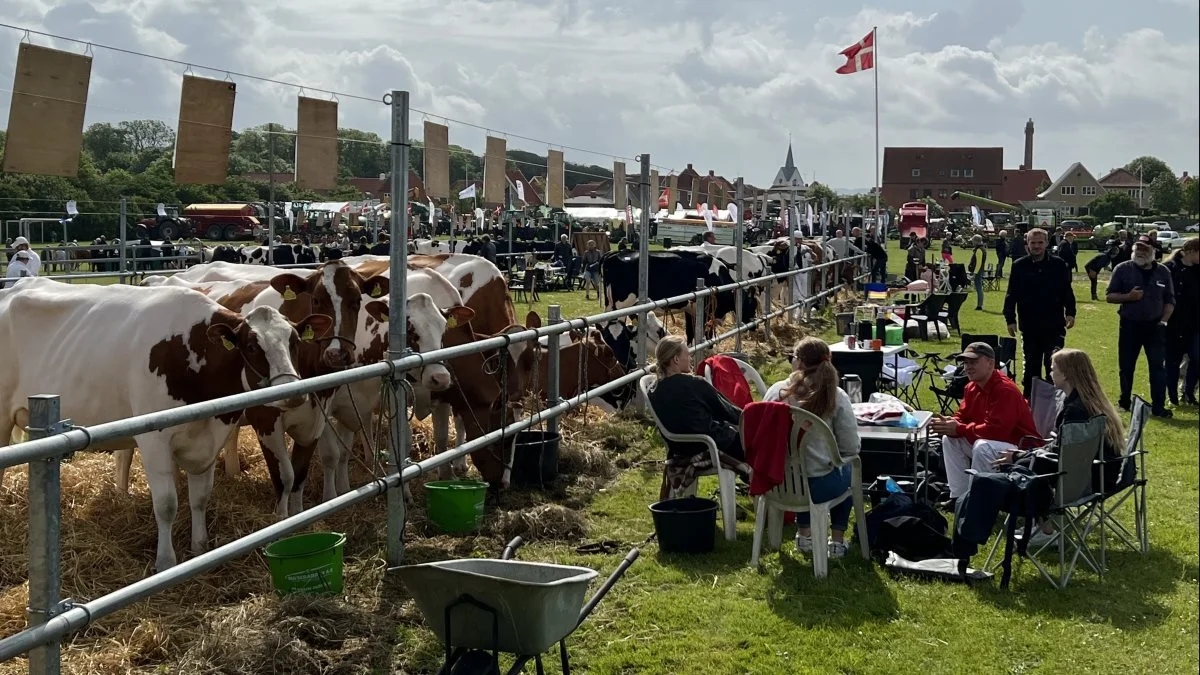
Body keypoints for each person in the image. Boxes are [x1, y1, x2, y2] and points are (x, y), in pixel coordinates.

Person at [777, 338, 861, 559]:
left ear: (799, 363)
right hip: (819, 485)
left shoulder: (777, 392)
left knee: (805, 467)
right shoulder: (837, 396)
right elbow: (851, 446)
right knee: (847, 469)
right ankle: (837, 540)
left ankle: (804, 535)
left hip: (780, 482)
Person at [930, 342, 1038, 507]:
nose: (967, 367)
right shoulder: (972, 387)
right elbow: (963, 416)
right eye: (965, 362)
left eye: (973, 362)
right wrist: (950, 424)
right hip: (994, 442)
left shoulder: (1004, 390)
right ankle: (959, 498)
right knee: (949, 439)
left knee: (982, 447)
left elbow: (997, 431)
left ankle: (979, 503)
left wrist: (958, 428)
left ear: (990, 363)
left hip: (1021, 448)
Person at [647, 336, 745, 462]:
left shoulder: (653, 391)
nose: (690, 358)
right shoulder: (694, 384)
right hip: (712, 444)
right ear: (676, 359)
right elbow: (729, 412)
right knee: (762, 442)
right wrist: (753, 416)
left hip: (679, 449)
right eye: (687, 355)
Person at [1106, 237, 1175, 417]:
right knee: (1126, 366)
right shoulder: (1123, 269)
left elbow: (1170, 299)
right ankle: (1124, 401)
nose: (1141, 252)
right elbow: (1110, 296)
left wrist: (1164, 321)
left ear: (1153, 251)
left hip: (1155, 327)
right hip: (1130, 325)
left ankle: (1158, 406)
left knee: (1157, 367)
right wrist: (1128, 297)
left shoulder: (1163, 271)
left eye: (1145, 249)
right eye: (1138, 248)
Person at [1003, 228, 1076, 397]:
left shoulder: (1058, 265)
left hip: (1054, 325)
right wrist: (1010, 319)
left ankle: (1055, 405)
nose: (1036, 246)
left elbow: (1067, 291)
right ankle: (1029, 403)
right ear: (1027, 244)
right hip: (1029, 326)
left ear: (1046, 243)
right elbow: (1011, 294)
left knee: (1054, 365)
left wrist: (1071, 312)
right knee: (1031, 367)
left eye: (1040, 243)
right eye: (1033, 243)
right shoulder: (1019, 266)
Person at [1163, 238, 1199, 406]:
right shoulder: (1170, 269)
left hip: (1196, 323)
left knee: (1197, 358)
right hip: (1175, 323)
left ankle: (1189, 393)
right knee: (1172, 361)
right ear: (1191, 251)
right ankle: (1172, 396)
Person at [967, 234, 988, 310]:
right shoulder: (982, 248)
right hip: (980, 270)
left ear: (976, 241)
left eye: (973, 240)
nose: (972, 242)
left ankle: (979, 305)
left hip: (978, 270)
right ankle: (980, 304)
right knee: (979, 287)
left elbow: (978, 263)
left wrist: (975, 273)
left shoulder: (979, 250)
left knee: (979, 288)